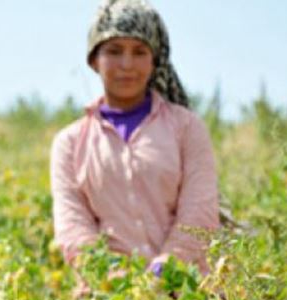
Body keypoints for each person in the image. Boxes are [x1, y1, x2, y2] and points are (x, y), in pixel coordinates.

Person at [50, 0, 219, 275]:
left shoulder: (187, 127)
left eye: (139, 52)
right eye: (114, 51)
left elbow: (200, 211)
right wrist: (113, 278)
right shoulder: (69, 143)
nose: (127, 64)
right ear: (94, 60)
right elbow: (72, 226)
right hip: (107, 299)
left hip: (189, 294)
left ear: (154, 61)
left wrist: (169, 266)